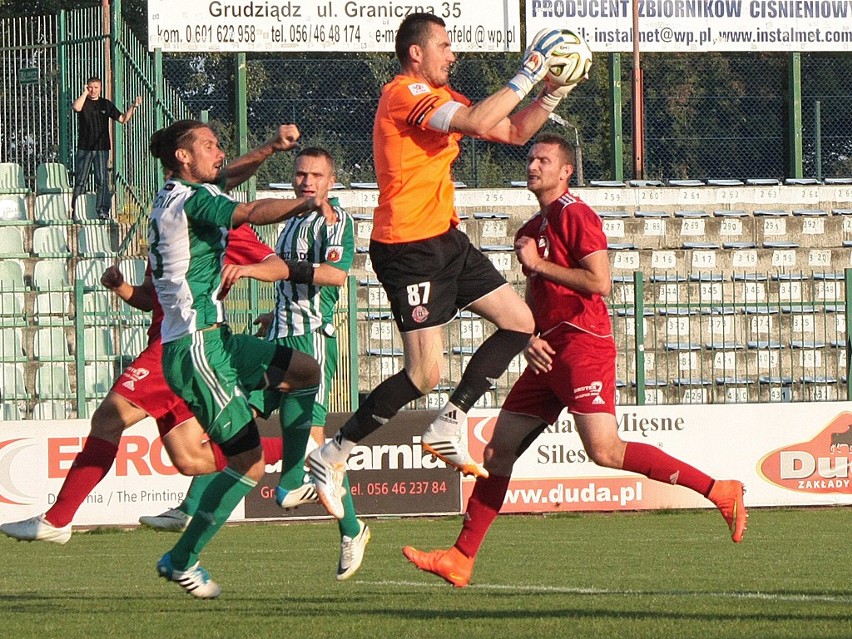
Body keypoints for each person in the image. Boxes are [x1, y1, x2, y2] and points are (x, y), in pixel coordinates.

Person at [401, 133, 749, 588]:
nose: (533, 166)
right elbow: (532, 296)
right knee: (497, 449)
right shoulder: (529, 230)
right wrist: (527, 336)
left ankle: (719, 490)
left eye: (543, 160)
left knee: (604, 450)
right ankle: (461, 557)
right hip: (547, 352)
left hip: (584, 344)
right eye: (530, 158)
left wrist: (540, 265)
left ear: (565, 171)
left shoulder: (576, 214)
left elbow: (599, 282)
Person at [307, 13, 581, 519]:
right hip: (409, 246)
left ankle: (448, 423)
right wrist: (529, 69)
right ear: (417, 52)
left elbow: (515, 131)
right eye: (445, 45)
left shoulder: (440, 95)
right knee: (423, 374)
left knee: (521, 322)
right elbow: (478, 121)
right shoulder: (403, 95)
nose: (452, 55)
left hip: (444, 239)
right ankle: (333, 453)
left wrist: (550, 92)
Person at [0, 126, 304, 546]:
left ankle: (58, 519)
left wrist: (293, 194)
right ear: (182, 158)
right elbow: (150, 294)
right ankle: (292, 454)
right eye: (210, 145)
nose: (219, 154)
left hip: (178, 345)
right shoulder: (182, 203)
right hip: (170, 338)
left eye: (218, 147)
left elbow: (255, 223)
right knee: (191, 459)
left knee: (108, 418)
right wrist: (122, 288)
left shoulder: (211, 215)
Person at [143, 146, 370, 581]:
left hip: (311, 339)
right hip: (279, 331)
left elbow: (335, 276)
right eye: (301, 174)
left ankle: (351, 529)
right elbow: (286, 274)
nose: (307, 182)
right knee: (238, 424)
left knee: (314, 450)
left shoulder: (335, 221)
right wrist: (274, 308)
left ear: (331, 180)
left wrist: (266, 272)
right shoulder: (296, 218)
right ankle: (190, 510)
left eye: (317, 176)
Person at [71, 76, 142, 220]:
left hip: (102, 147)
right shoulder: (83, 101)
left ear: (100, 88)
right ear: (87, 87)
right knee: (81, 180)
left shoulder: (106, 104)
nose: (93, 90)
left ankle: (102, 210)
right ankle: (75, 210)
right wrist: (84, 93)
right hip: (85, 147)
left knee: (102, 179)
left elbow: (122, 119)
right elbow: (76, 107)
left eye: (96, 87)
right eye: (90, 87)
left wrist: (133, 107)